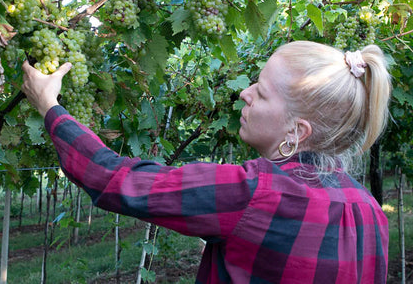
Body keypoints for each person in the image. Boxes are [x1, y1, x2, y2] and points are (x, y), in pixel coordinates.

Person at [22, 40, 391, 283]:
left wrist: (49, 107)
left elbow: (116, 180)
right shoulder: (371, 212)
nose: (244, 94)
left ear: (297, 131)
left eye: (260, 93)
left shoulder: (255, 193)